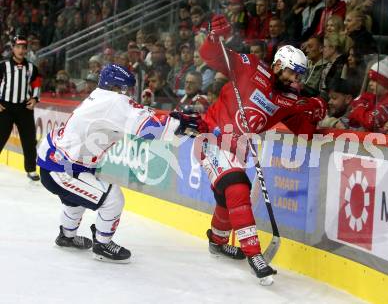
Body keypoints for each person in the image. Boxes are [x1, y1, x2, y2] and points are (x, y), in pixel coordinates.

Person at [198, 15, 327, 283]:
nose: (295, 79)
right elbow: (211, 56)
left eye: (299, 76)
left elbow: (305, 131)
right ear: (279, 64)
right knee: (237, 187)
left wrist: (315, 110)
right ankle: (254, 254)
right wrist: (213, 37)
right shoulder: (250, 66)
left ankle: (218, 241)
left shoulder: (288, 99)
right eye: (293, 72)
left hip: (238, 149)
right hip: (212, 137)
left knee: (227, 198)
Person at [37, 64, 206, 263]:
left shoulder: (101, 97)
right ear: (115, 87)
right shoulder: (113, 102)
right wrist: (181, 124)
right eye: (124, 89)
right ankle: (102, 243)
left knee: (75, 200)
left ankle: (66, 236)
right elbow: (147, 126)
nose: (127, 94)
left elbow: (138, 115)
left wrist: (171, 119)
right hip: (62, 168)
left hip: (56, 162)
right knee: (112, 199)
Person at [0, 35, 41, 181]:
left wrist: (35, 99)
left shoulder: (31, 68)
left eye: (24, 47)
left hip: (24, 109)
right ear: (13, 49)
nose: (21, 50)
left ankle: (31, 169)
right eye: (18, 47)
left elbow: (36, 84)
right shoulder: (3, 66)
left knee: (29, 140)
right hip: (5, 108)